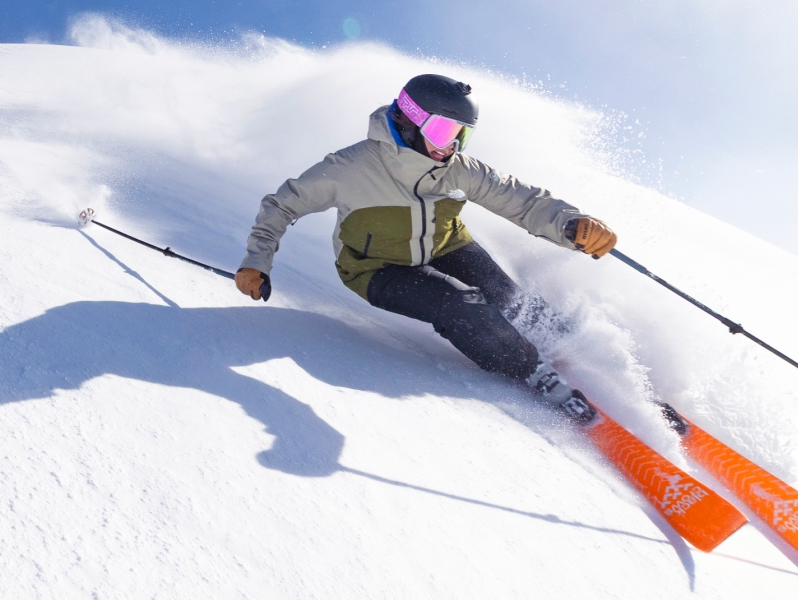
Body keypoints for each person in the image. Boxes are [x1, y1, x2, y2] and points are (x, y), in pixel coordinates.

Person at [233, 74, 619, 423]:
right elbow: (282, 204)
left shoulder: (460, 168)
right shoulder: (350, 167)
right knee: (461, 304)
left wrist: (570, 224)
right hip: (376, 268)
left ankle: (575, 353)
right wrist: (256, 261)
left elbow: (522, 200)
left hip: (446, 245)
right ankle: (533, 371)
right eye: (441, 130)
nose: (449, 144)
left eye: (460, 134)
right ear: (408, 120)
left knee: (508, 298)